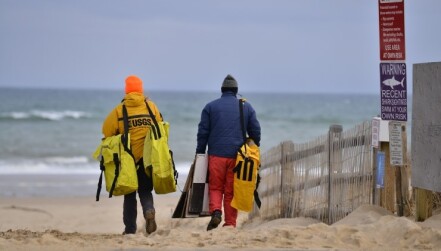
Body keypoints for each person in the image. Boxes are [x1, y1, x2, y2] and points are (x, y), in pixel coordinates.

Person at [196, 74, 261, 230]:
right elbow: (256, 130)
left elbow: (202, 132)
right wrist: (254, 145)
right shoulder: (246, 106)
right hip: (237, 157)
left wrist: (200, 152)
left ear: (222, 90)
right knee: (231, 190)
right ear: (236, 90)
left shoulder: (210, 107)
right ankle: (230, 223)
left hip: (216, 156)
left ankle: (216, 212)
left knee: (215, 187)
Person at [101, 75, 162, 235]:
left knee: (129, 195)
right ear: (141, 90)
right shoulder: (151, 107)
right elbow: (160, 126)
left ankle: (130, 229)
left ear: (126, 90)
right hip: (147, 159)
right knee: (145, 191)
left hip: (128, 160)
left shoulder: (119, 110)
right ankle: (149, 210)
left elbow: (106, 131)